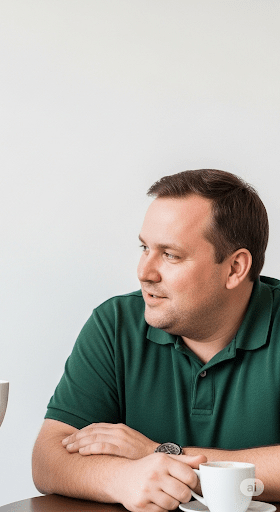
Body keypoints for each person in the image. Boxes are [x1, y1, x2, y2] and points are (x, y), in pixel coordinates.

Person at [32, 169, 280, 512]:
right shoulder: (115, 324)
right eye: (144, 247)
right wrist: (119, 478)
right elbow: (49, 459)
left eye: (171, 255)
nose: (144, 272)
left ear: (235, 268)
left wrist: (161, 453)